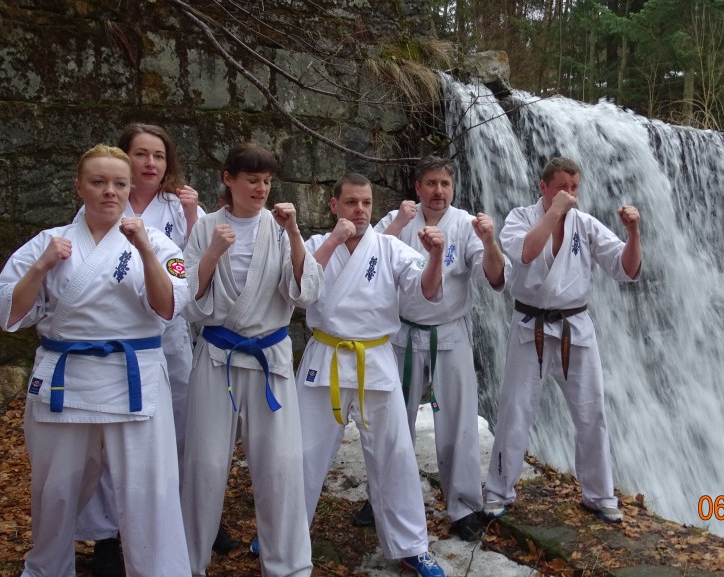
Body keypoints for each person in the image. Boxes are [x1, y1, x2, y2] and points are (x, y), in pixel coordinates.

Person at [0, 144, 191, 577]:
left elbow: (170, 307)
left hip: (134, 378)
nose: (109, 191)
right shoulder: (47, 243)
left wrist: (146, 250)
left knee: (148, 492)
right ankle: (47, 569)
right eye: (98, 182)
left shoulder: (159, 244)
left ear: (130, 188)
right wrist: (41, 267)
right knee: (55, 491)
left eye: (119, 183)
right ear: (79, 187)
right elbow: (8, 314)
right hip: (65, 377)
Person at [71, 124, 213, 576]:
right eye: (141, 154)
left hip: (167, 332)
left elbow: (196, 266)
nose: (150, 164)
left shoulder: (180, 204)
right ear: (123, 157)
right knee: (108, 436)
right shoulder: (103, 200)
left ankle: (176, 519)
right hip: (114, 336)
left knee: (177, 427)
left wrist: (191, 216)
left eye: (159, 156)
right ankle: (107, 533)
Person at [179, 143, 321, 577]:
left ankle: (288, 566)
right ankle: (188, 563)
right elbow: (187, 300)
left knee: (281, 465)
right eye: (252, 180)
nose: (261, 189)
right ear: (229, 179)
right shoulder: (206, 228)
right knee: (203, 465)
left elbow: (305, 293)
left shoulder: (279, 228)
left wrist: (294, 233)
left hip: (269, 361)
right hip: (217, 356)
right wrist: (212, 254)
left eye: (267, 181)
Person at [298, 173, 448, 577]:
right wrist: (333, 241)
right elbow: (300, 291)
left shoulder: (389, 247)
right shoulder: (315, 244)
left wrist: (436, 256)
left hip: (375, 359)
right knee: (303, 453)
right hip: (326, 356)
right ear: (334, 205)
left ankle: (410, 546)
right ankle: (284, 534)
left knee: (395, 455)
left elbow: (426, 290)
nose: (360, 210)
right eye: (351, 202)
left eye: (365, 203)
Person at [482, 157, 641, 524]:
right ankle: (498, 491)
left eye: (575, 188)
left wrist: (633, 233)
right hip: (530, 326)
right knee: (515, 410)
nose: (570, 195)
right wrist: (554, 212)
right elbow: (525, 252)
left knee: (592, 412)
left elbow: (627, 268)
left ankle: (599, 495)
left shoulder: (585, 225)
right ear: (543, 187)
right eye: (562, 188)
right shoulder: (520, 218)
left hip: (575, 328)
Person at [365, 156, 506, 541]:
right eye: (430, 183)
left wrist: (490, 241)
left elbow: (495, 277)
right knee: (391, 419)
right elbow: (367, 261)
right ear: (417, 187)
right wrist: (397, 224)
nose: (438, 191)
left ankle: (464, 505)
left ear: (453, 188)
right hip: (401, 334)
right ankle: (381, 496)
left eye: (445, 183)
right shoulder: (398, 220)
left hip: (450, 333)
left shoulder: (466, 225)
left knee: (459, 422)